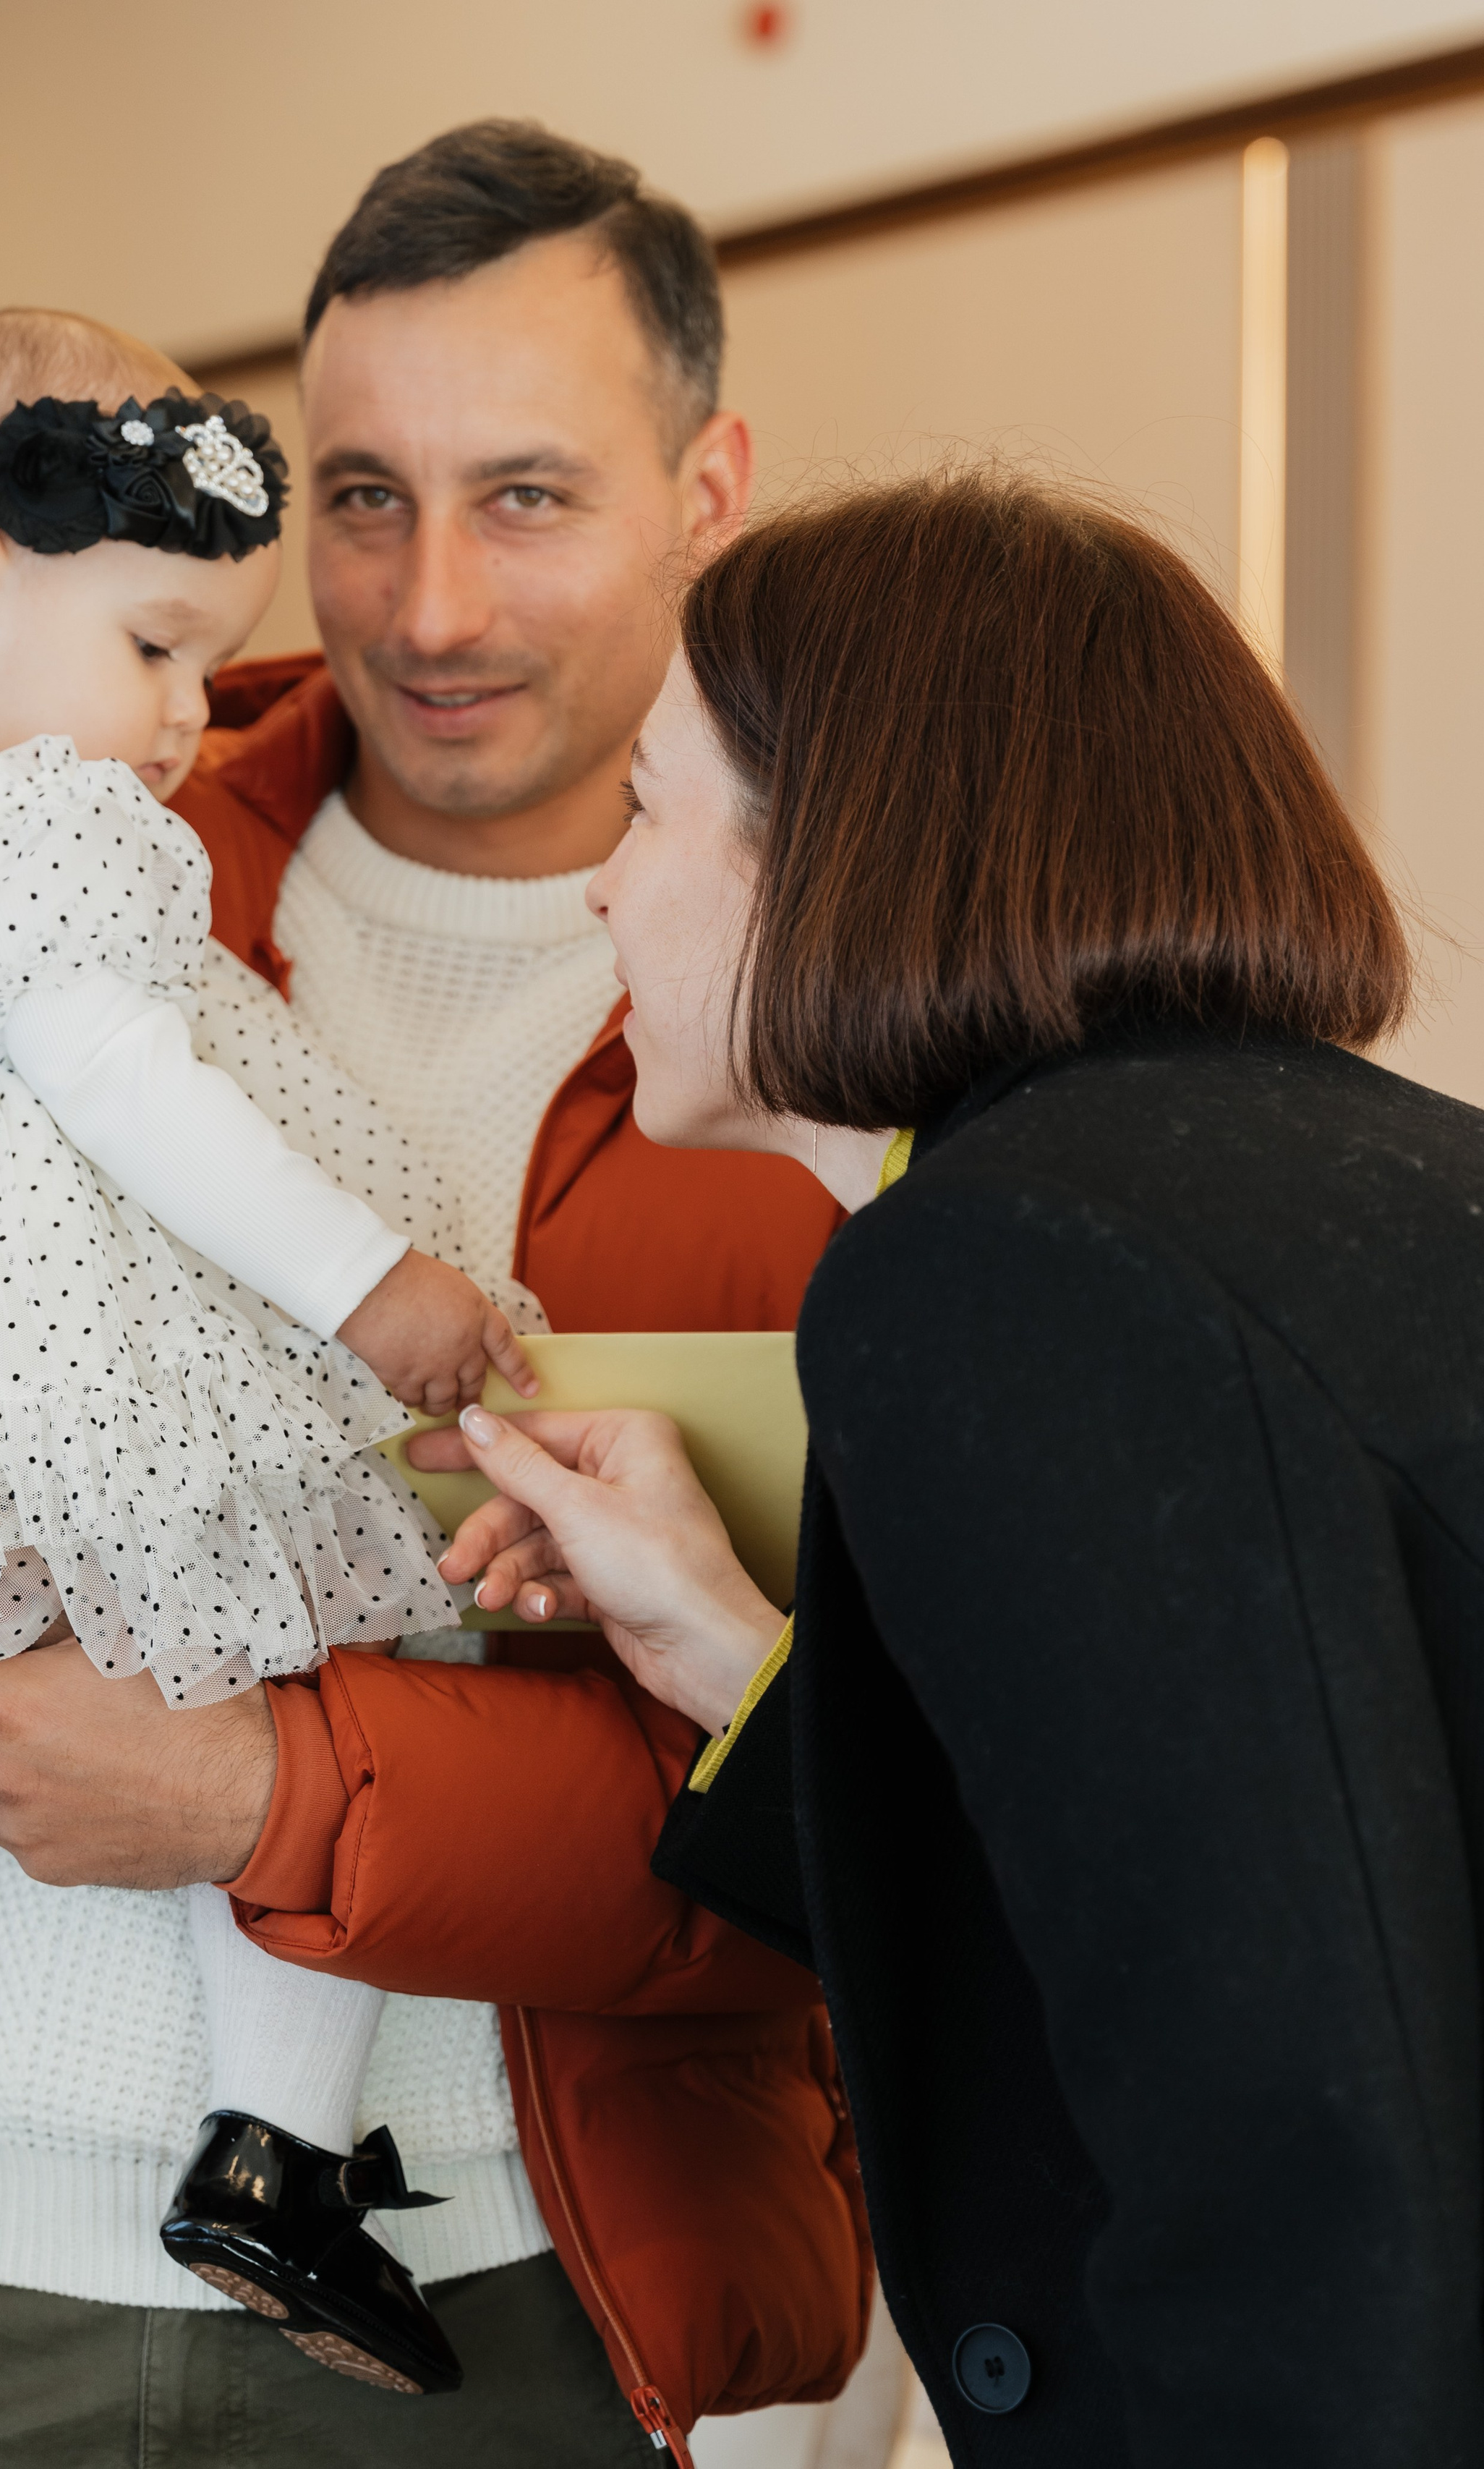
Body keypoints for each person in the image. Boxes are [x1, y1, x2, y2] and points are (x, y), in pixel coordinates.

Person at [0, 128, 867, 2467]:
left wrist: (260, 1786)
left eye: (526, 495)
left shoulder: (842, 1038)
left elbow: (850, 1822)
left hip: (504, 2298)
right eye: (368, 498)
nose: (420, 607)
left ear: (709, 484)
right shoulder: (64, 823)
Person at [419, 473, 1484, 2465]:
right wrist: (736, 1652)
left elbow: (1286, 2121)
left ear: (831, 844)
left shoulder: (1001, 1265)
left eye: (648, 806)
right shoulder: (1351, 1180)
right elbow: (1241, 1851)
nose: (600, 887)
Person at [0, 302, 564, 2449]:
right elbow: (141, 1101)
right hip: (52, 1354)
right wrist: (374, 1295)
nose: (183, 713)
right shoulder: (20, 825)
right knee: (306, 1665)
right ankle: (276, 2159)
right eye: (153, 646)